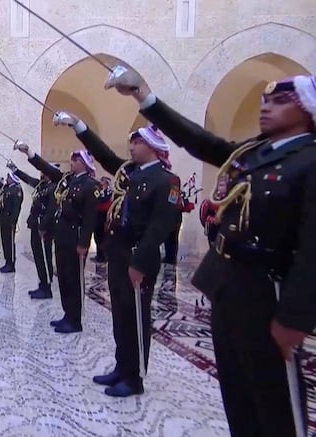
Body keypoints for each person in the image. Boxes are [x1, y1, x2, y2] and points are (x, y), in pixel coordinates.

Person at [107, 67, 316, 433]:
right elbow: (201, 142)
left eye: (281, 101)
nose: (266, 107)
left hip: (269, 294)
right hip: (228, 287)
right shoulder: (255, 152)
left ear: (308, 110)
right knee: (237, 395)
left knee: (275, 405)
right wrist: (145, 98)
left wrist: (295, 317)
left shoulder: (309, 161)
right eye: (265, 100)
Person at [53, 109, 183, 396]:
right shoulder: (131, 173)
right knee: (120, 315)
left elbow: (160, 227)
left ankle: (134, 378)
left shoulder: (166, 181)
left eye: (136, 143)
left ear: (152, 147)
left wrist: (140, 262)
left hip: (139, 258)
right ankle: (121, 367)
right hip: (118, 253)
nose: (131, 147)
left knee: (136, 317)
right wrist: (79, 127)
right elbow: (103, 155)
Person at [14, 144, 98, 334]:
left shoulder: (90, 186)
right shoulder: (68, 180)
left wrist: (84, 243)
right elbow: (48, 169)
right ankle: (67, 314)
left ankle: (75, 320)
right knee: (64, 279)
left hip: (75, 239)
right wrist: (30, 154)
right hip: (62, 237)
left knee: (73, 280)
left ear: (84, 163)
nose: (72, 162)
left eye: (75, 160)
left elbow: (91, 218)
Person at [0, 163, 57, 298]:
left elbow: (51, 210)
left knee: (44, 259)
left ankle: (47, 288)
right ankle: (42, 284)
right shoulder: (42, 185)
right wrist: (15, 170)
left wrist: (43, 226)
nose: (42, 173)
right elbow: (27, 179)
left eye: (45, 171)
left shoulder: (53, 188)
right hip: (35, 226)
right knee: (38, 257)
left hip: (43, 228)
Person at [93, 177, 113, 262]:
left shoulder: (109, 192)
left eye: (102, 181)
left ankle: (104, 256)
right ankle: (98, 255)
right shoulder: (98, 191)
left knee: (103, 237)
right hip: (97, 215)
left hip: (104, 216)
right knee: (97, 236)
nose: (101, 182)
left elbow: (105, 200)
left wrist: (99, 201)